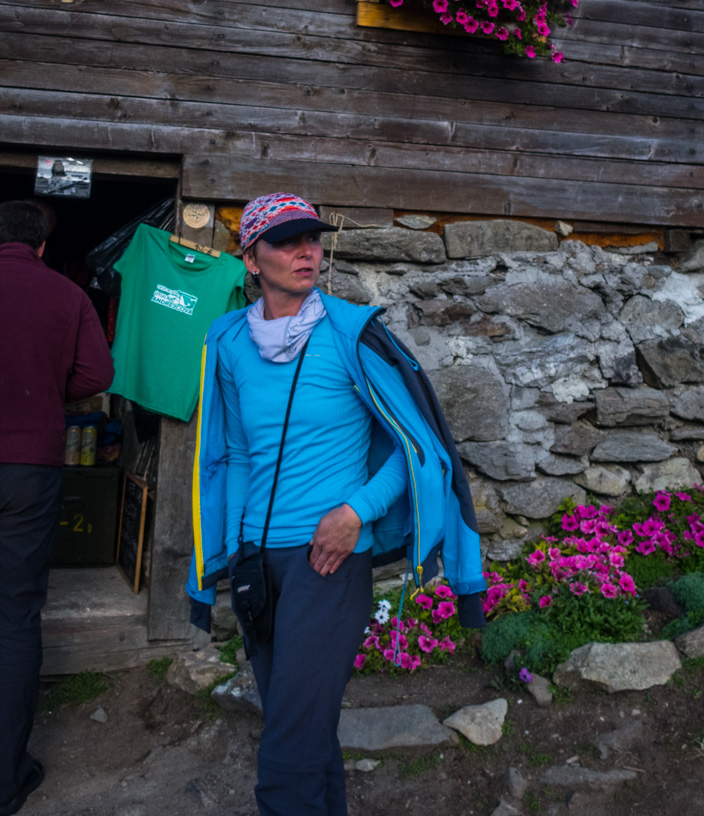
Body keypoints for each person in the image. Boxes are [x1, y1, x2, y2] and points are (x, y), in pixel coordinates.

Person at [187, 193, 485, 816]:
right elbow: (238, 454)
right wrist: (240, 547)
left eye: (313, 240)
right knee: (304, 727)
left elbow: (417, 452)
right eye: (286, 241)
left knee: (287, 748)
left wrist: (355, 513)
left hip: (327, 562)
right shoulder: (229, 342)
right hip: (258, 563)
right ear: (250, 260)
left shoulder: (352, 333)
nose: (306, 252)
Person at [0, 201, 114, 816]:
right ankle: (6, 778)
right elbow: (97, 372)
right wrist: (46, 385)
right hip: (28, 467)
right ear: (41, 246)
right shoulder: (66, 295)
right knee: (14, 617)